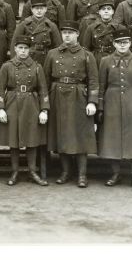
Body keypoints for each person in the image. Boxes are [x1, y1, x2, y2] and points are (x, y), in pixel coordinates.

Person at [44, 21, 98, 188]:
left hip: (78, 96)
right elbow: (45, 81)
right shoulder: (52, 54)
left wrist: (92, 102)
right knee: (62, 135)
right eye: (64, 32)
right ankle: (65, 172)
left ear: (77, 35)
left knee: (80, 135)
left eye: (70, 32)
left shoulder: (86, 55)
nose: (67, 35)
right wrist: (45, 104)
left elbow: (94, 81)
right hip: (57, 96)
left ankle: (82, 175)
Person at [96, 27, 132, 191]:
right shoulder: (105, 61)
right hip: (111, 103)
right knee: (112, 140)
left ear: (130, 43)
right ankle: (115, 174)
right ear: (113, 43)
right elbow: (101, 86)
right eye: (119, 42)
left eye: (125, 42)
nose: (122, 45)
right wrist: (100, 107)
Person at [0, 36, 49, 186]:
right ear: (15, 49)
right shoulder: (7, 66)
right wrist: (0, 109)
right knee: (14, 140)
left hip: (32, 104)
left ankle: (32, 171)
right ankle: (15, 171)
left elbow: (43, 90)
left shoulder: (37, 67)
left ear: (30, 49)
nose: (23, 51)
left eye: (26, 48)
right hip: (12, 103)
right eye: (20, 48)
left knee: (32, 139)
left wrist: (44, 110)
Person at [11, 0, 61, 66]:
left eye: (41, 8)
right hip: (27, 58)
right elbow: (14, 43)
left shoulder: (51, 26)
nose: (39, 11)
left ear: (46, 9)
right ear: (32, 9)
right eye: (36, 8)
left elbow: (57, 46)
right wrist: (15, 62)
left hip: (45, 59)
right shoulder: (24, 24)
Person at [81, 0, 125, 67]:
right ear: (99, 12)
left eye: (109, 9)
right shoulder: (91, 28)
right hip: (97, 59)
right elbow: (86, 48)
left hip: (115, 59)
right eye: (103, 9)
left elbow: (125, 47)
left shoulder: (120, 28)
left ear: (113, 11)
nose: (106, 11)